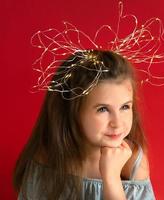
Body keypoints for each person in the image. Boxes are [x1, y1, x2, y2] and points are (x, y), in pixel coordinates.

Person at [13, 50, 156, 199]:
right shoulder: (47, 158)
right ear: (71, 112)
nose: (117, 123)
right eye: (103, 109)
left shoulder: (131, 164)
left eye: (125, 107)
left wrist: (112, 178)